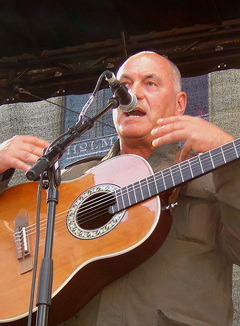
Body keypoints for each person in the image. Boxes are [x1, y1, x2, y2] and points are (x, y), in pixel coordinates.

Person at [0, 51, 240, 326]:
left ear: (179, 103)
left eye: (150, 83)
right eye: (124, 85)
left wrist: (230, 154)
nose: (133, 93)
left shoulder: (215, 176)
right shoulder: (73, 177)